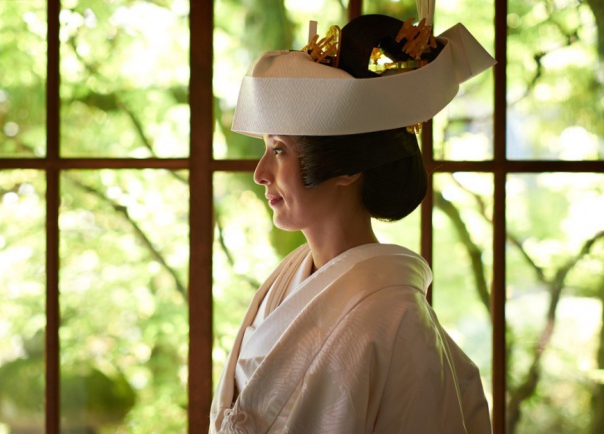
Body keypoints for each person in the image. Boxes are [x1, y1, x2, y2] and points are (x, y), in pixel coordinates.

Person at [210, 9, 496, 434]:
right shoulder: (286, 281)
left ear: (347, 167)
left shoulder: (395, 317)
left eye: (281, 150)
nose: (260, 173)